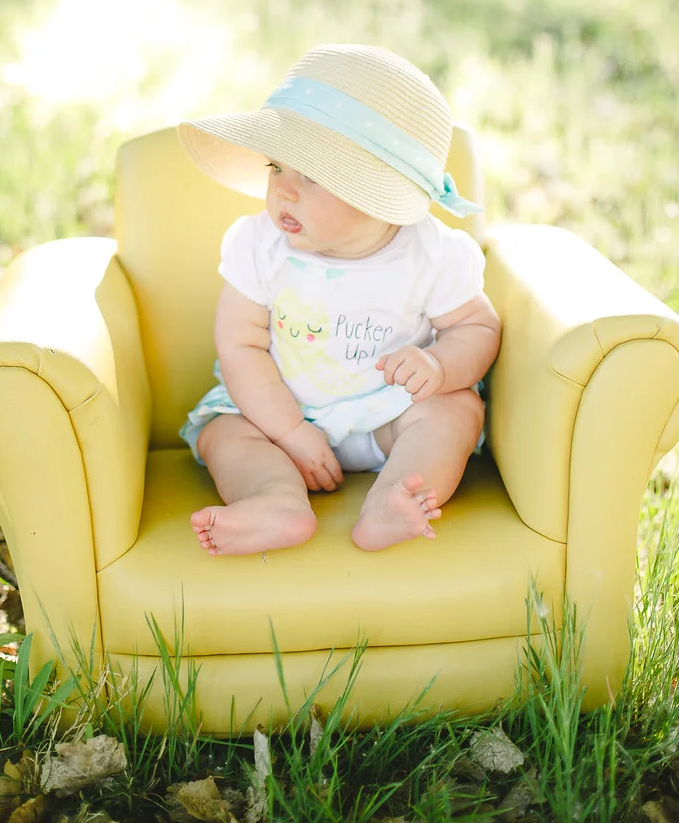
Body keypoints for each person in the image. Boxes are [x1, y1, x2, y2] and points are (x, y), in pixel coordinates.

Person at [177, 44, 501, 556]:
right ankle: (274, 499)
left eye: (311, 176)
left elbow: (477, 328)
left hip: (387, 416)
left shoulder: (431, 254)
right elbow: (240, 346)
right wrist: (289, 430)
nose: (283, 191)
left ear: (379, 193)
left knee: (455, 411)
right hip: (272, 414)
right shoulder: (259, 244)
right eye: (277, 167)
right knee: (223, 433)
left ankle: (393, 499)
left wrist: (439, 366)